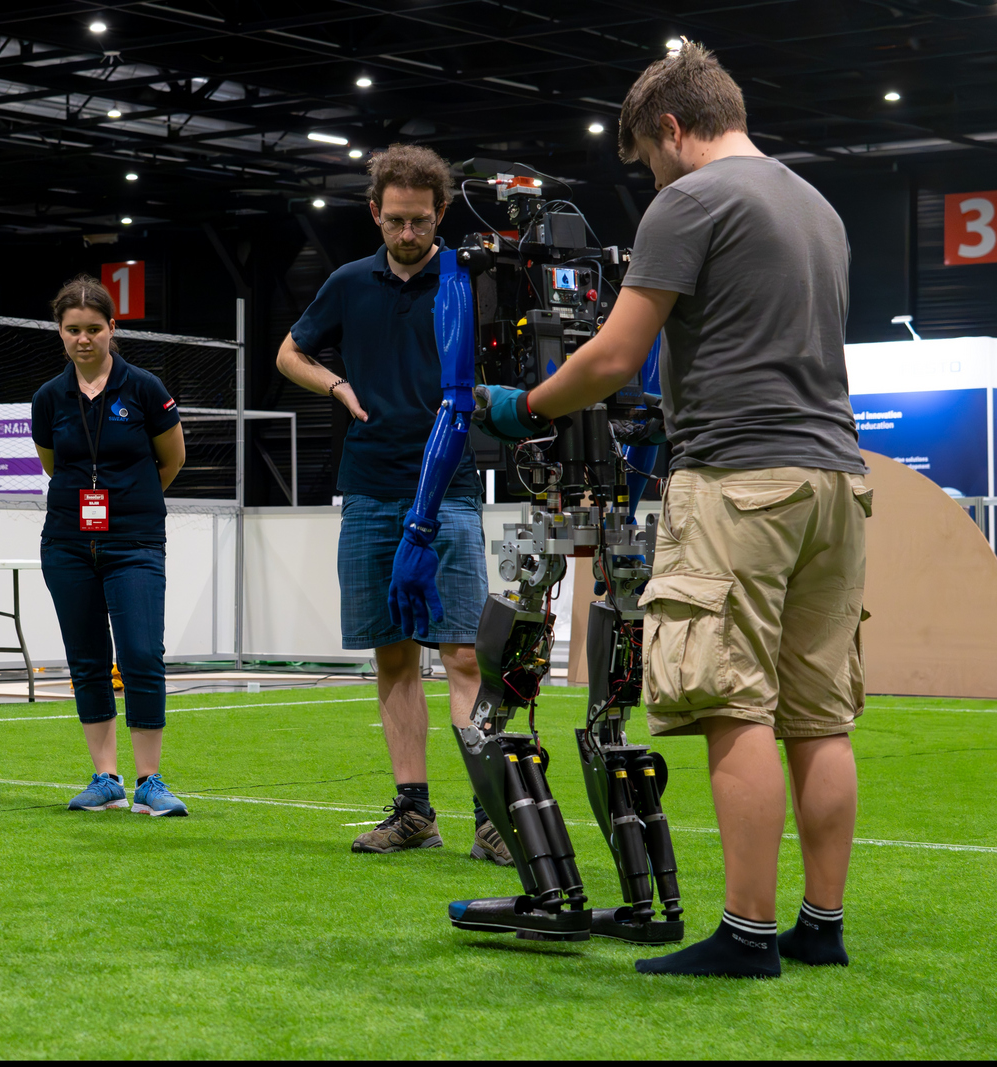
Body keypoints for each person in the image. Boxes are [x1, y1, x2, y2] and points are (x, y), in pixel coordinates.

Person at [474, 41, 867, 978]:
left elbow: (612, 359)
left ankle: (746, 935)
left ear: (673, 128)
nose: (650, 181)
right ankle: (820, 924)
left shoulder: (691, 200)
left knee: (734, 707)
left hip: (738, 478)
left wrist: (524, 406)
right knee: (820, 716)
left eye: (647, 160)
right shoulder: (815, 204)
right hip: (836, 480)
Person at [276, 144, 507, 861]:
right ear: (375, 212)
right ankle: (414, 811)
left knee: (465, 654)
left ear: (440, 214)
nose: (408, 233)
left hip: (451, 492)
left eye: (421, 220)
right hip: (371, 487)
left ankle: (492, 815)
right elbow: (289, 352)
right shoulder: (348, 282)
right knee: (393, 656)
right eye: (396, 220)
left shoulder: (465, 281)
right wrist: (337, 387)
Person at [31, 274, 188, 816]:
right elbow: (56, 465)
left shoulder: (144, 387)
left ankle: (150, 779)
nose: (83, 339)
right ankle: (106, 778)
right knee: (86, 660)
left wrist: (128, 502)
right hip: (67, 543)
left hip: (136, 540)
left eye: (94, 329)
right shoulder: (49, 397)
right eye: (73, 330)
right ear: (60, 332)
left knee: (143, 654)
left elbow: (173, 461)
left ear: (112, 328)